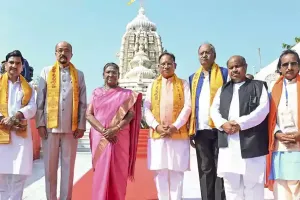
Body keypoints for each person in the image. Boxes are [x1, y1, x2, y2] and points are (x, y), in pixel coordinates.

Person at [210, 55, 269, 199]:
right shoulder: (222, 90)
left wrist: (240, 124)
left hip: (252, 143)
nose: (234, 70)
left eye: (237, 66)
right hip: (228, 145)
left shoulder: (258, 86)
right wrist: (223, 124)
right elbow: (213, 110)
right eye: (231, 67)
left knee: (253, 186)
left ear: (245, 67)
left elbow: (263, 110)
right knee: (231, 187)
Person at [36, 41, 87, 200]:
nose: (63, 54)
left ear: (72, 54)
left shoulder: (78, 74)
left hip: (71, 129)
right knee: (50, 169)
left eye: (66, 51)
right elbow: (40, 101)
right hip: (50, 129)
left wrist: (81, 125)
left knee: (68, 168)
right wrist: (40, 123)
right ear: (55, 53)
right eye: (59, 51)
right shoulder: (46, 71)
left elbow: (83, 103)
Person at [86, 62, 142, 200]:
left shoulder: (126, 94)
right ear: (103, 74)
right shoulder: (96, 93)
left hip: (120, 138)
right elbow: (89, 114)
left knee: (119, 172)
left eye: (114, 73)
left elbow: (131, 114)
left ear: (118, 75)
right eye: (108, 72)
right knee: (100, 172)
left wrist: (116, 129)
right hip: (100, 137)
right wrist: (104, 131)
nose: (111, 75)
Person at [144, 52, 191, 200]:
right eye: (163, 64)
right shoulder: (152, 85)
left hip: (178, 134)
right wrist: (156, 126)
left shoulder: (183, 84)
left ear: (175, 66)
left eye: (169, 63)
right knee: (160, 171)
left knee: (177, 171)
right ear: (158, 67)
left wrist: (175, 126)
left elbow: (188, 106)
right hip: (158, 135)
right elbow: (146, 108)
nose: (166, 66)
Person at [189, 43, 228, 200]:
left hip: (220, 129)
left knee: (221, 168)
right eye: (201, 53)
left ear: (214, 55)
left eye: (207, 52)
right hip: (201, 129)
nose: (204, 55)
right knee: (205, 168)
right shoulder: (193, 78)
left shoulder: (225, 74)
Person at [0, 50, 37, 199]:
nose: (14, 66)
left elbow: (32, 107)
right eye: (11, 62)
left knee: (18, 179)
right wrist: (3, 120)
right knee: (1, 180)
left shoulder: (28, 88)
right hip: (1, 135)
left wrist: (15, 117)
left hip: (20, 138)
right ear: (5, 64)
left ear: (22, 67)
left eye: (18, 63)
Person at [266, 50, 300, 199]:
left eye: (293, 63)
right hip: (280, 148)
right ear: (280, 68)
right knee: (281, 190)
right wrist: (277, 134)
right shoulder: (273, 90)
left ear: (299, 66)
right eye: (285, 64)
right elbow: (269, 119)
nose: (289, 67)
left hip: (298, 145)